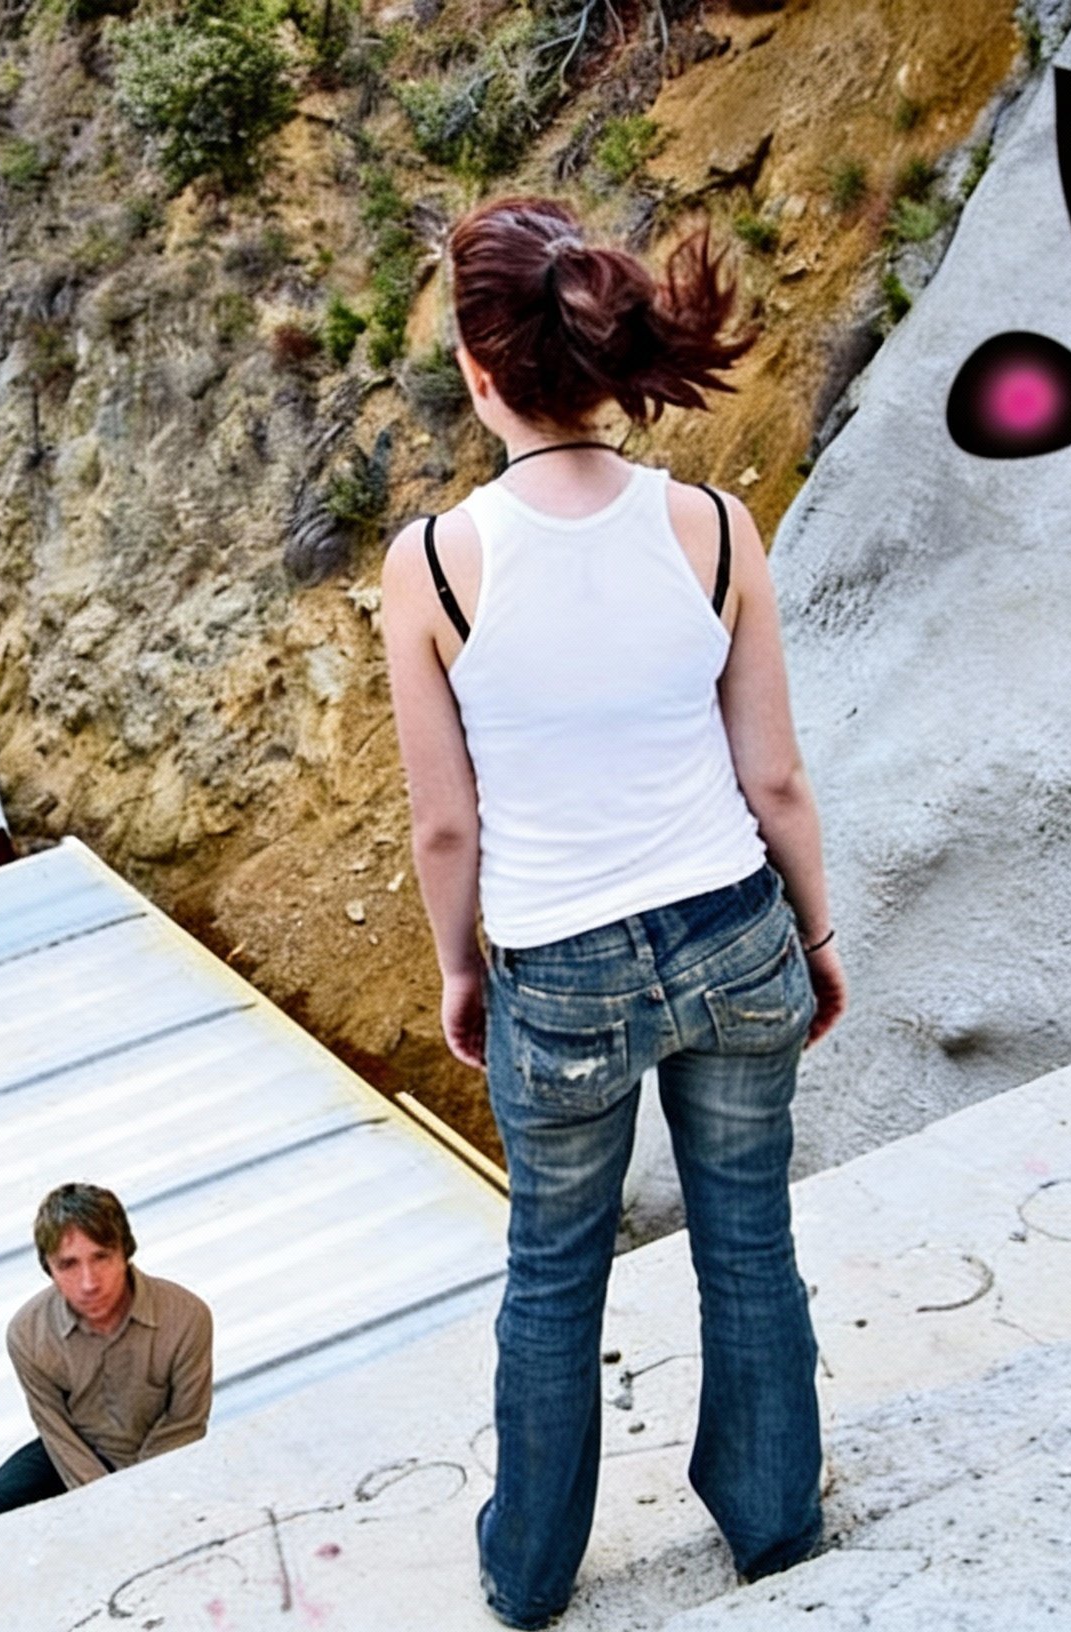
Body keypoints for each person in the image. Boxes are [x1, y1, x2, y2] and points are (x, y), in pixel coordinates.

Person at [379, 196, 849, 1629]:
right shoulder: (709, 525)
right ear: (605, 341)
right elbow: (771, 772)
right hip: (732, 927)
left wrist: (464, 975)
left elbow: (445, 821)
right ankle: (772, 1523)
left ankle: (529, 1569)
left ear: (477, 368)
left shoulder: (435, 565)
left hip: (559, 968)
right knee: (749, 1240)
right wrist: (815, 938)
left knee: (554, 1279)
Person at [0, 1183, 214, 1520]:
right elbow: (56, 1430)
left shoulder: (187, 1315)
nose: (89, 1283)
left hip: (164, 1451)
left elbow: (185, 1423)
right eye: (68, 1265)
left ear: (125, 1252)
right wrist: (106, 1501)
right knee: (1, 1497)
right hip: (82, 1449)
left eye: (101, 1257)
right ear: (49, 1268)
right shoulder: (28, 1333)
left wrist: (145, 1492)